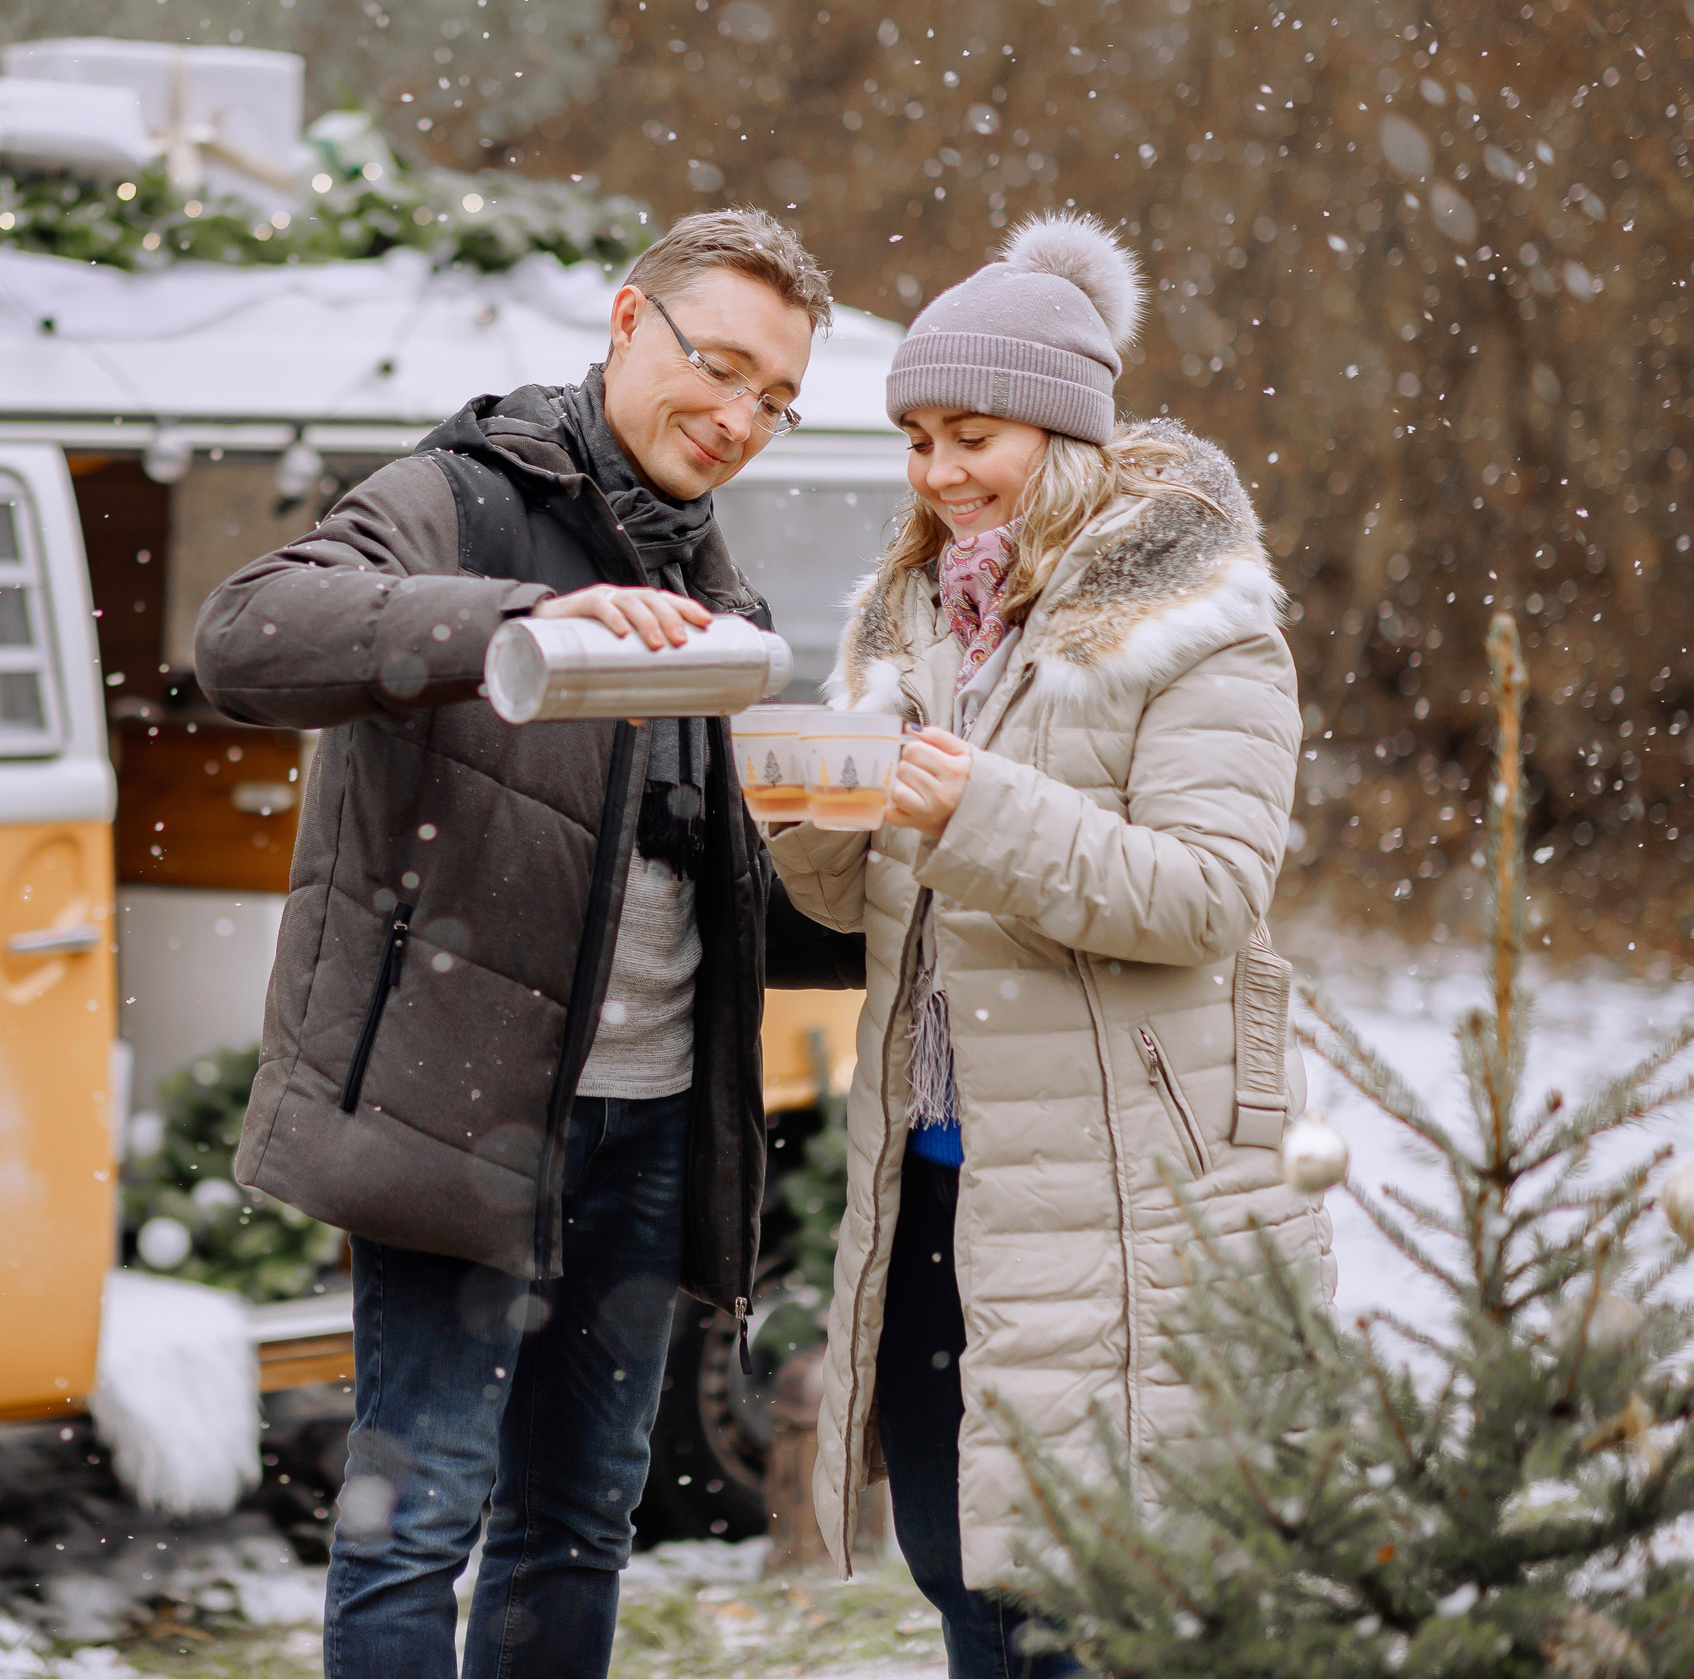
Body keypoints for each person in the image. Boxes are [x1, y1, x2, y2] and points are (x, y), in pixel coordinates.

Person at [192, 208, 862, 1679]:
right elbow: (244, 637)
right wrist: (526, 615)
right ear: (627, 323)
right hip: (464, 1112)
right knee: (415, 1517)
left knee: (579, 1519)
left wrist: (868, 851)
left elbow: (699, 875)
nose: (741, 418)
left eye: (778, 400)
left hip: (659, 1120)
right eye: (721, 367)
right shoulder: (467, 494)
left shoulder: (716, 579)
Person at [768, 214, 1329, 1678]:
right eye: (918, 441)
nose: (941, 474)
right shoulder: (901, 624)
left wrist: (974, 803)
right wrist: (812, 819)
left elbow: (1208, 894)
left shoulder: (1199, 624)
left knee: (1094, 1613)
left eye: (976, 436)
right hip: (942, 1192)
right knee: (968, 1585)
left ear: (1066, 435)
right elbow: (866, 905)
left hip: (1130, 1199)